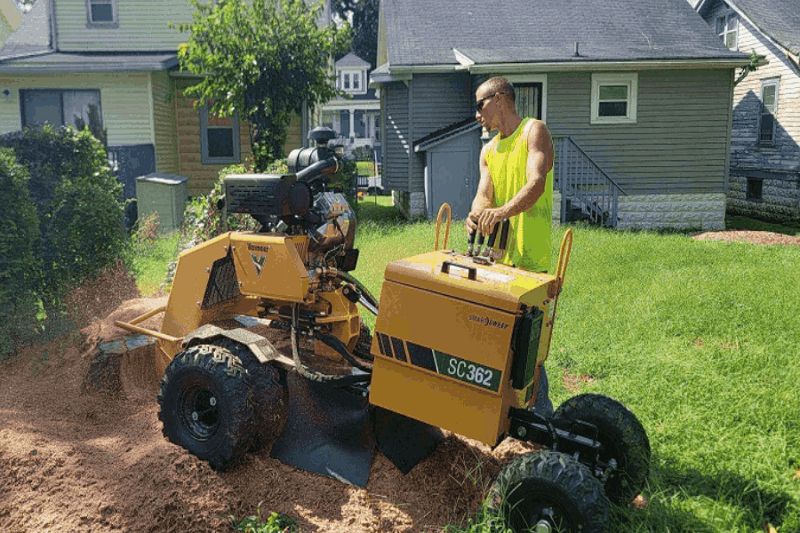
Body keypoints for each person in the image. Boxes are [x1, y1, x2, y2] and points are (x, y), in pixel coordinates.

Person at [467, 76, 555, 416]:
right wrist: (476, 214)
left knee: (529, 346)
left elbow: (535, 183)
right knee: (498, 338)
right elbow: (483, 194)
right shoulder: (488, 150)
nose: (477, 115)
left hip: (531, 259)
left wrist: (502, 212)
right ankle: (504, 411)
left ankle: (542, 416)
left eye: (479, 105)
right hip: (498, 260)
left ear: (500, 98)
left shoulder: (535, 131)